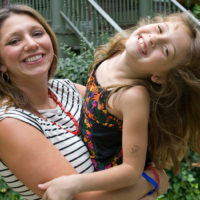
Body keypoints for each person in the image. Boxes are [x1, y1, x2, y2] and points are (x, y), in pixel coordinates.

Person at [0, 4, 169, 200]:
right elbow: (82, 198)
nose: (31, 44)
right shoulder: (9, 123)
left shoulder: (66, 89)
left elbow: (130, 126)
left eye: (37, 33)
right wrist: (153, 179)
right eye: (14, 41)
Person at [38, 11, 200, 200]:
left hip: (114, 186)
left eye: (166, 51)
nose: (155, 39)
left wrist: (74, 183)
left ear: (160, 76)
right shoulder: (116, 52)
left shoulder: (133, 96)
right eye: (160, 29)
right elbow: (95, 100)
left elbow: (131, 170)